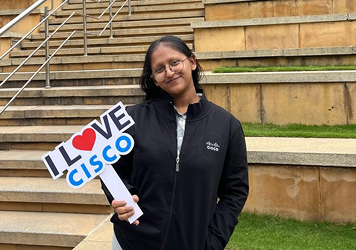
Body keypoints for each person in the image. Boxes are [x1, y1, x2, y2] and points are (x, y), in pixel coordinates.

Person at [101, 35, 249, 250]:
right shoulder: (131, 119)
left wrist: (215, 238)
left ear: (192, 62)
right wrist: (122, 197)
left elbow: (235, 190)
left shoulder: (226, 125)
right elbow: (111, 168)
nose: (169, 72)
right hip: (132, 242)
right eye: (159, 69)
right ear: (153, 78)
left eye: (174, 62)